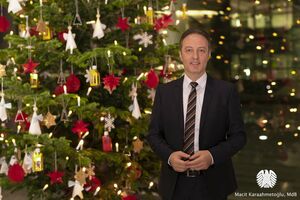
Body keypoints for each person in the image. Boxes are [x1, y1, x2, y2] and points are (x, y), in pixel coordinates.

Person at [147, 28, 246, 200]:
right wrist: (170, 157)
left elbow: (239, 137)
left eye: (201, 51)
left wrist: (212, 156)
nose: (195, 57)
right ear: (180, 54)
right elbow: (154, 135)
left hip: (213, 183)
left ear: (208, 55)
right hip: (174, 183)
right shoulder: (165, 92)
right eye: (189, 50)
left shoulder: (226, 91)